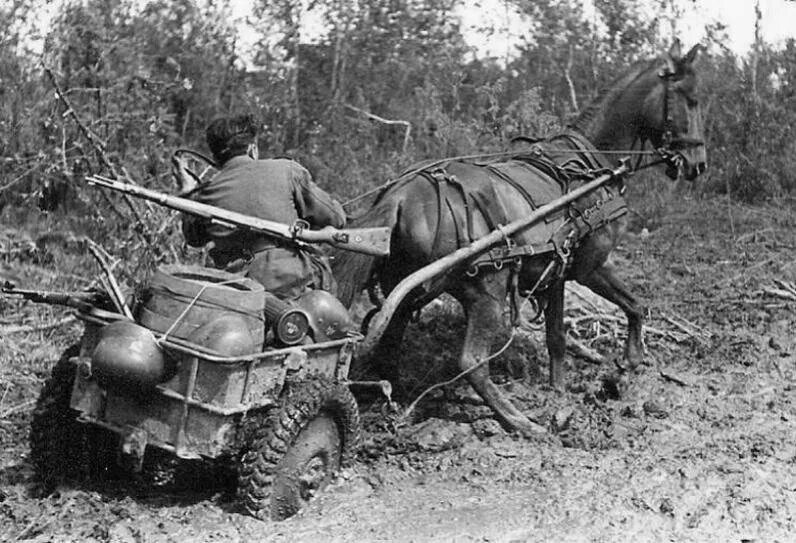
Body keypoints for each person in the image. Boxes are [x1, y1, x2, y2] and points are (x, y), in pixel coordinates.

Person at [172, 114, 346, 300]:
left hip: (234, 290)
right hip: (292, 283)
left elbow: (194, 239)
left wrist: (187, 192)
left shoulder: (204, 195)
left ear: (214, 157)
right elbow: (335, 218)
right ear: (251, 149)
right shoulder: (287, 170)